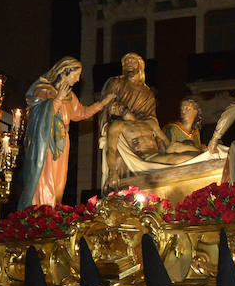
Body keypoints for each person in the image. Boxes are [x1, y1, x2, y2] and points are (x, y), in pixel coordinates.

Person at [19, 57, 110, 209]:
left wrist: (101, 104)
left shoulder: (70, 96)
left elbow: (81, 113)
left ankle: (52, 211)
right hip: (45, 141)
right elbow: (36, 115)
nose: (78, 79)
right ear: (64, 72)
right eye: (76, 74)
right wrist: (56, 101)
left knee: (58, 181)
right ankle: (39, 211)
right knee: (44, 177)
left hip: (62, 143)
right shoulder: (44, 89)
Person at [100, 53, 170, 188]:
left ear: (140, 66)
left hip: (144, 133)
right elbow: (108, 105)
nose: (129, 63)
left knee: (175, 156)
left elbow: (151, 118)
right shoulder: (116, 83)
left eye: (132, 61)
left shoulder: (147, 93)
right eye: (126, 62)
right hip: (127, 135)